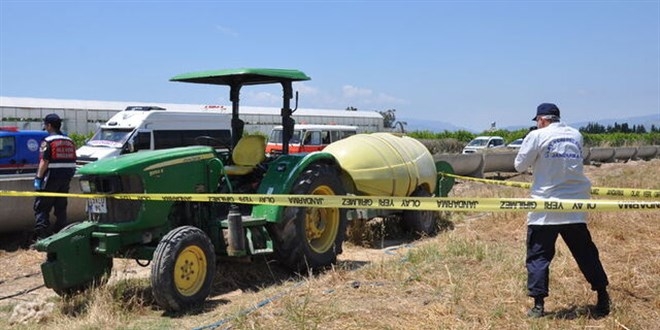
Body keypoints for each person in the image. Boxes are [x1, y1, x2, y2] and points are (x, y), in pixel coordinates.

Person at [514, 103, 610, 318]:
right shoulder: (576, 135)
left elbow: (519, 165)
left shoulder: (537, 136)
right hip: (575, 205)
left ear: (541, 120)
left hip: (545, 206)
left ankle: (538, 306)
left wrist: (531, 143)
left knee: (538, 256)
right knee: (586, 253)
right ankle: (603, 296)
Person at [33, 113, 77, 238]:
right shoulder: (70, 141)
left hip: (50, 178)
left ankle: (42, 236)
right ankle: (61, 235)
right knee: (61, 208)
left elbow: (44, 161)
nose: (45, 128)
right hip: (66, 178)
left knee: (41, 207)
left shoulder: (48, 141)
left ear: (50, 125)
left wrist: (38, 178)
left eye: (46, 125)